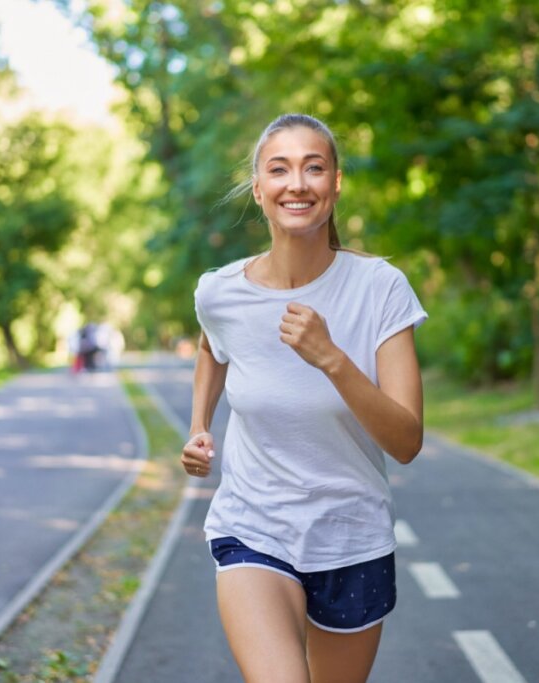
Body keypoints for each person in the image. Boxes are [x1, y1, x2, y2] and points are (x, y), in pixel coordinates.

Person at [182, 113, 428, 683]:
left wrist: (332, 359)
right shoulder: (219, 292)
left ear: (335, 184)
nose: (298, 183)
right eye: (280, 169)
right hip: (253, 526)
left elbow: (407, 441)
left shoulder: (380, 288)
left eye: (314, 168)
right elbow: (210, 348)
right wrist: (199, 425)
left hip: (352, 536)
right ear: (259, 188)